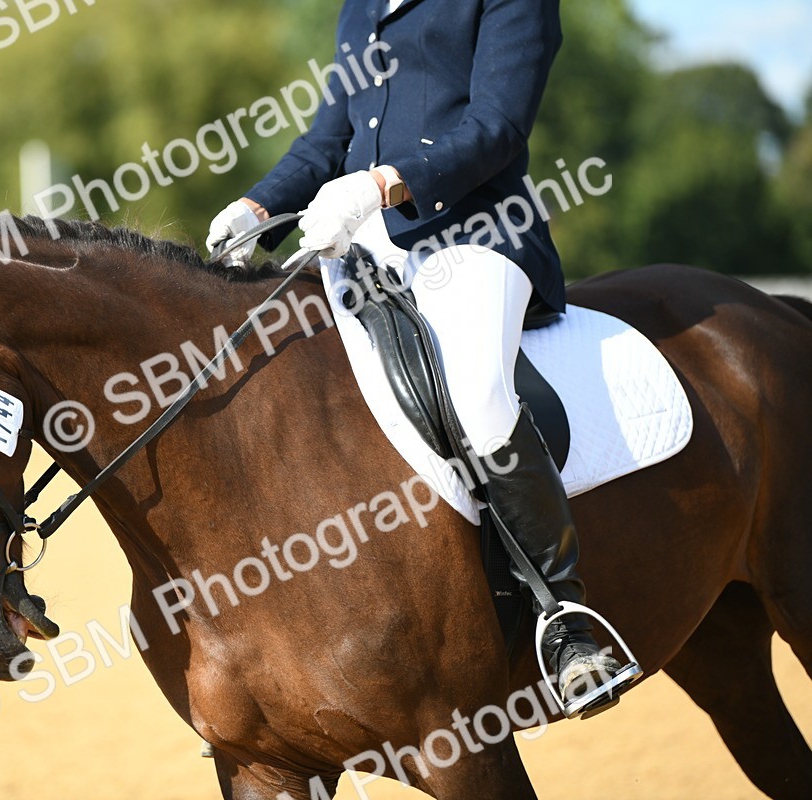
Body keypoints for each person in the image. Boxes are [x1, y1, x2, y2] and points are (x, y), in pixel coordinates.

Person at [207, 0, 633, 716]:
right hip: (359, 245)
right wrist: (258, 204)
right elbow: (330, 136)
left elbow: (496, 127)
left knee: (476, 393)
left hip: (477, 234)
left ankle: (565, 619)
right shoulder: (362, 7)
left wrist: (381, 183)